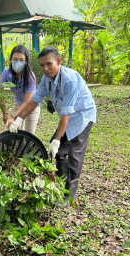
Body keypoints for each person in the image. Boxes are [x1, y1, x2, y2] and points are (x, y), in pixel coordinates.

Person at [7, 47, 97, 207]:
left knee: (74, 153)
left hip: (82, 116)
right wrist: (19, 119)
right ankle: (61, 188)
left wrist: (56, 140)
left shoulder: (69, 80)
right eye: (42, 65)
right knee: (60, 152)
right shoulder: (46, 79)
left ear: (58, 61)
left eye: (49, 64)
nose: (45, 69)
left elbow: (66, 115)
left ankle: (68, 196)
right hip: (68, 116)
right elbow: (35, 100)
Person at [0, 45, 39, 135]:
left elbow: (27, 102)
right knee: (16, 132)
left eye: (21, 60)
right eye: (15, 59)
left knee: (29, 135)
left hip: (31, 106)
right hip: (17, 104)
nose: (17, 62)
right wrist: (6, 112)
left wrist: (13, 116)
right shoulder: (6, 72)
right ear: (11, 60)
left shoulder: (30, 77)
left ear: (26, 62)